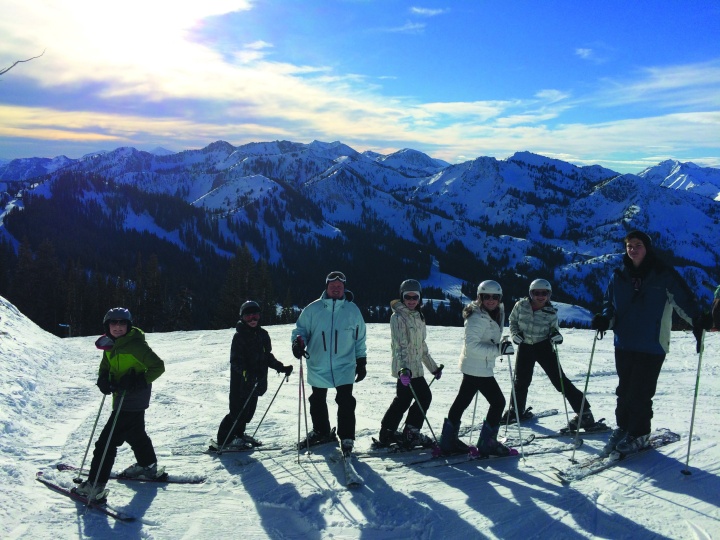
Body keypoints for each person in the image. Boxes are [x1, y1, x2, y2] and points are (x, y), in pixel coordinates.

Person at [592, 230, 713, 455]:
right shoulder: (619, 275)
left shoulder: (663, 274)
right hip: (624, 342)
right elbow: (611, 306)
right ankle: (624, 427)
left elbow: (684, 301)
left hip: (653, 344)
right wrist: (604, 320)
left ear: (647, 248)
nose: (633, 249)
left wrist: (698, 319)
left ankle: (639, 433)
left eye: (637, 245)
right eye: (629, 246)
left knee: (640, 392)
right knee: (624, 390)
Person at [72, 307, 165, 501]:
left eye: (122, 323)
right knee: (135, 433)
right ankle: (148, 466)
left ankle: (94, 486)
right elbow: (105, 363)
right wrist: (103, 379)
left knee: (106, 443)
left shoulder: (136, 345)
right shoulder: (110, 344)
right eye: (113, 323)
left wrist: (138, 381)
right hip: (121, 397)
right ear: (107, 326)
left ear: (129, 326)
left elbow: (158, 367)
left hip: (132, 398)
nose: (118, 326)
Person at [502, 278, 595, 431]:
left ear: (549, 294)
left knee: (560, 381)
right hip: (525, 346)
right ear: (531, 293)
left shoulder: (551, 312)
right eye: (536, 293)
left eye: (544, 293)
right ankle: (516, 411)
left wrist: (556, 336)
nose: (540, 296)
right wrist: (514, 334)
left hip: (543, 347)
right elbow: (512, 321)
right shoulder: (520, 306)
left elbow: (554, 330)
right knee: (521, 381)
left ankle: (585, 413)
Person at [291, 271, 367, 455]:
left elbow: (360, 338)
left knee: (346, 400)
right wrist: (297, 343)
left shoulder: (352, 310)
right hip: (318, 363)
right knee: (317, 400)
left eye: (339, 287)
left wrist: (361, 361)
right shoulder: (313, 309)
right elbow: (300, 330)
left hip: (345, 364)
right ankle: (321, 431)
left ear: (344, 288)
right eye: (332, 286)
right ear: (326, 287)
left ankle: (347, 436)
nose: (336, 289)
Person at [439, 280, 515, 456]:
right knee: (498, 402)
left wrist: (502, 342)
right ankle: (487, 443)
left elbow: (489, 337)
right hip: (478, 367)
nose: (491, 300)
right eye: (486, 296)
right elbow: (472, 345)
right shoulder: (476, 317)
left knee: (462, 400)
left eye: (495, 297)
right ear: (479, 297)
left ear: (500, 298)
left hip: (476, 365)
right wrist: (498, 350)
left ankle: (448, 441)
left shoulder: (495, 312)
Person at [214, 301, 293, 450]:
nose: (252, 319)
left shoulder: (263, 334)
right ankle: (224, 439)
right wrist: (247, 374)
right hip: (241, 383)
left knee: (247, 413)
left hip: (257, 382)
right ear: (242, 318)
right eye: (248, 316)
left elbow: (267, 356)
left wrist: (281, 367)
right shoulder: (239, 336)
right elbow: (235, 361)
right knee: (236, 412)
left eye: (255, 315)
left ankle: (238, 434)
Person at [378, 279, 443, 448]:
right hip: (406, 370)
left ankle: (389, 432)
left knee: (404, 399)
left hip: (417, 369)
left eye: (415, 297)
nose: (412, 300)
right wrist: (403, 370)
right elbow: (399, 346)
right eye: (408, 297)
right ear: (402, 297)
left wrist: (433, 368)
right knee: (421, 397)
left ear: (420, 298)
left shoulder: (419, 317)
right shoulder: (398, 317)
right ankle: (406, 432)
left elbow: (422, 347)